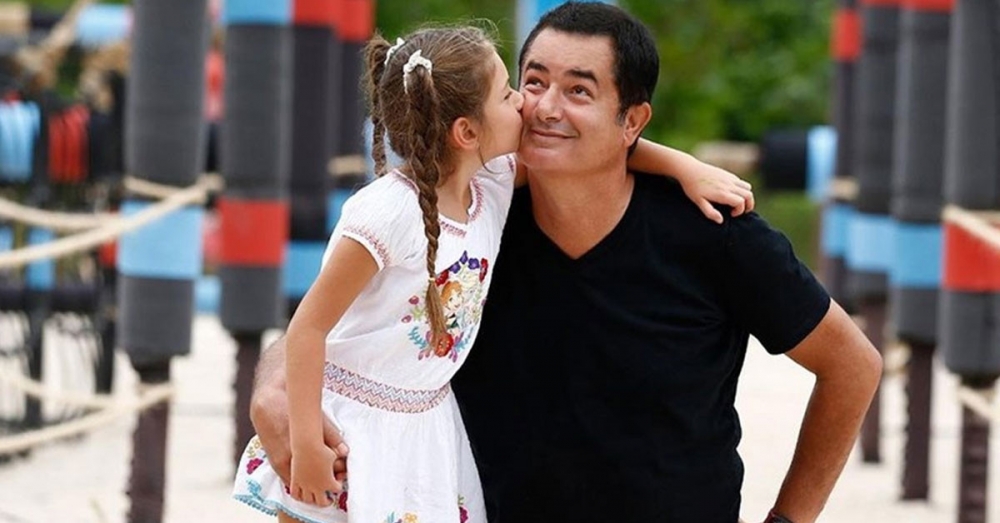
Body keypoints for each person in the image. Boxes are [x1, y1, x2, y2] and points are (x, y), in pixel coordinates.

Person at [233, 22, 755, 523]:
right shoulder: (385, 213)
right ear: (466, 131)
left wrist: (684, 167)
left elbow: (604, 145)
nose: (526, 103)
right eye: (509, 94)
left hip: (427, 426)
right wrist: (306, 441)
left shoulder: (492, 185)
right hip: (349, 424)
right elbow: (310, 326)